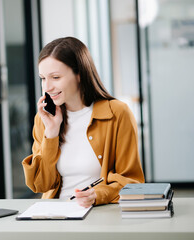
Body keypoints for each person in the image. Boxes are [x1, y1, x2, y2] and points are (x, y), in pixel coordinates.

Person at [22, 37, 145, 207]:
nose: (47, 87)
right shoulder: (44, 119)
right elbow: (40, 185)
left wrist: (98, 195)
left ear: (79, 74)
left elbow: (132, 181)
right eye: (43, 78)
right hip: (56, 214)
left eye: (55, 77)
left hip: (100, 215)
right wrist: (51, 133)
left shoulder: (117, 113)